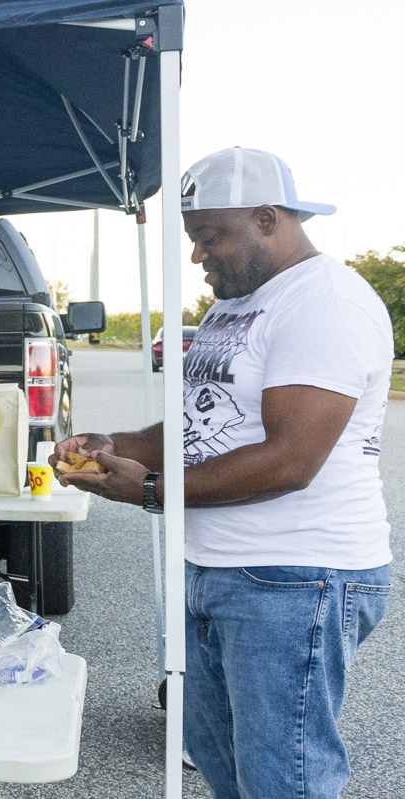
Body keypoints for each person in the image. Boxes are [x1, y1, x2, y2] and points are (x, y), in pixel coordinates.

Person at [52, 147, 392, 799]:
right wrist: (113, 444)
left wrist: (149, 489)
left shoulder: (325, 303)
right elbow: (196, 426)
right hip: (218, 572)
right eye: (193, 238)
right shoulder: (232, 309)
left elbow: (292, 458)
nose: (198, 255)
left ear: (267, 218)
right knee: (221, 762)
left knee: (282, 781)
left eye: (210, 237)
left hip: (295, 578)